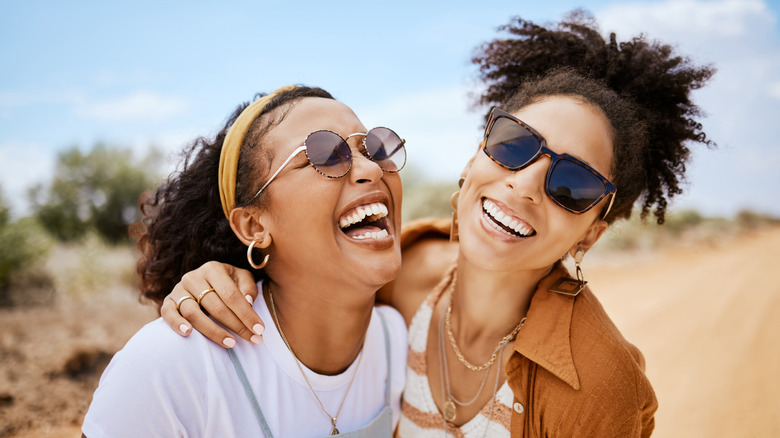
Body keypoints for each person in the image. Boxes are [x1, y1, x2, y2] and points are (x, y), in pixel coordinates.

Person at [157, 13, 715, 437]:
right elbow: (305, 265)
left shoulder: (596, 383)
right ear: (475, 159)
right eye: (513, 146)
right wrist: (219, 276)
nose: (524, 184)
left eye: (573, 184)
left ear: (592, 231)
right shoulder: (402, 273)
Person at [81, 86, 410, 437]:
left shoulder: (396, 339)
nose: (370, 170)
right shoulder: (172, 365)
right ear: (254, 226)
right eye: (325, 154)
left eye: (373, 149)